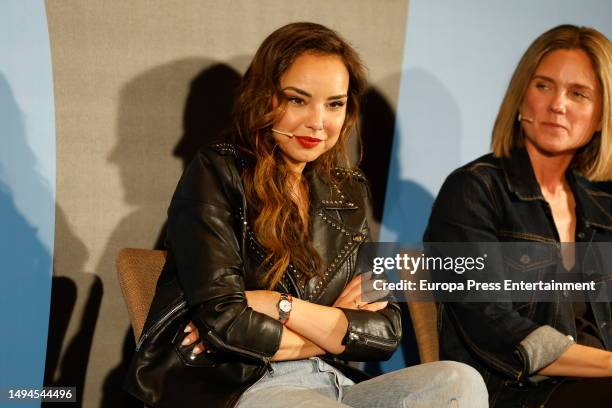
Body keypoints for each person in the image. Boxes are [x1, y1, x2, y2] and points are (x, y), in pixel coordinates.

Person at [130, 22, 488, 408]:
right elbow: (226, 324)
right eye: (298, 100)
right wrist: (334, 324)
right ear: (264, 97)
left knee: (458, 380)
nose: (318, 122)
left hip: (333, 380)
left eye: (334, 103)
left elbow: (385, 329)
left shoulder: (347, 191)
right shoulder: (216, 172)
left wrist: (281, 305)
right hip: (241, 388)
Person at [424, 25, 612, 407]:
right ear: (521, 97)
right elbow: (491, 324)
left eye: (578, 94)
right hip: (517, 392)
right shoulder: (474, 190)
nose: (558, 104)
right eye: (543, 86)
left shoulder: (603, 206)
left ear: (600, 116)